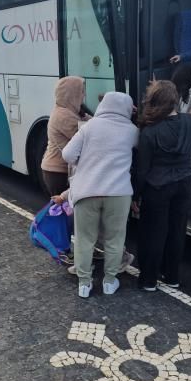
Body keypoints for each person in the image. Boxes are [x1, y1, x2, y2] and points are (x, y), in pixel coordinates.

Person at [135, 81, 191, 291]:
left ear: (154, 101)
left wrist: (135, 194)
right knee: (177, 232)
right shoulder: (190, 122)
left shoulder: (148, 132)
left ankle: (149, 280)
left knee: (154, 234)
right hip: (184, 184)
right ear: (174, 101)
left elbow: (142, 170)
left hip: (157, 188)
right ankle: (172, 277)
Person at [55, 93, 139, 298]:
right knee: (114, 239)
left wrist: (86, 162)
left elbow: (67, 155)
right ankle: (110, 282)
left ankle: (84, 284)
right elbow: (140, 150)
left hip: (87, 192)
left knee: (85, 240)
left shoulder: (90, 126)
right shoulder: (132, 131)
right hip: (118, 194)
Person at [41, 76, 86, 196]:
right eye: (81, 92)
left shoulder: (67, 111)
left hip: (57, 170)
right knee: (63, 210)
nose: (83, 96)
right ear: (71, 94)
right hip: (58, 172)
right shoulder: (64, 115)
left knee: (63, 209)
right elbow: (88, 134)